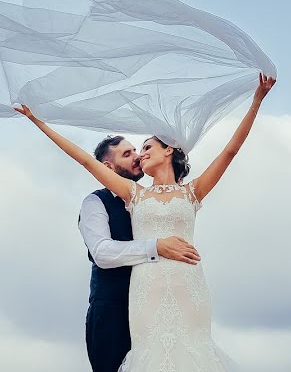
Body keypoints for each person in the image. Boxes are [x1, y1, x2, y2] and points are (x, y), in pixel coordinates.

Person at [15, 73, 276, 370]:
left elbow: (230, 151)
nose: (140, 155)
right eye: (135, 151)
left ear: (169, 150)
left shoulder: (193, 192)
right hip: (145, 291)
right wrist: (38, 122)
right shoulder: (133, 195)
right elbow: (86, 160)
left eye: (147, 147)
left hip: (187, 285)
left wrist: (256, 100)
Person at [79, 135, 202, 372]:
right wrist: (155, 246)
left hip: (154, 307)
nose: (137, 156)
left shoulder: (148, 201)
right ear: (107, 167)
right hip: (112, 312)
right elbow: (102, 253)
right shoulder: (96, 202)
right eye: (127, 154)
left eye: (136, 150)